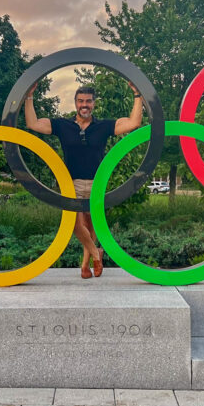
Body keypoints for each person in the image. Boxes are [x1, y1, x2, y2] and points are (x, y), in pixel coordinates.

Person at [24, 81, 143, 279]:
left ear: (94, 104)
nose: (84, 105)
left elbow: (134, 123)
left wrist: (138, 95)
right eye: (80, 101)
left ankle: (85, 265)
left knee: (91, 224)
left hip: (98, 182)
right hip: (71, 183)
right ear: (75, 103)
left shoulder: (104, 126)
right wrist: (29, 97)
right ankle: (97, 254)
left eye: (88, 101)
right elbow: (32, 123)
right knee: (74, 224)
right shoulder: (63, 125)